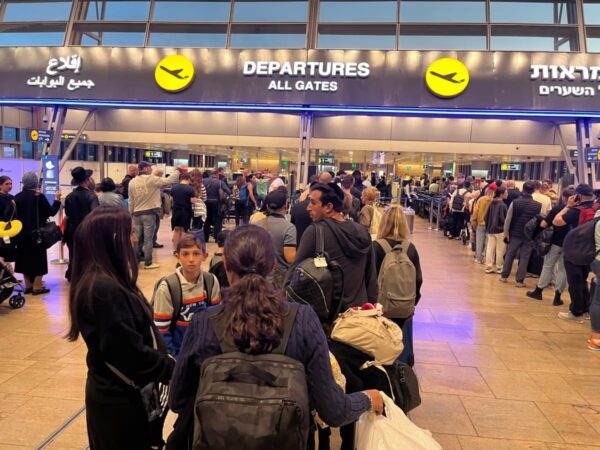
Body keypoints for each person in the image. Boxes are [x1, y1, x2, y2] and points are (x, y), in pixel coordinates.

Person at [168, 225, 384, 444]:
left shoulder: (204, 322)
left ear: (225, 265)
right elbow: (334, 411)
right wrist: (368, 399)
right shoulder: (302, 320)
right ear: (272, 265)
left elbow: (177, 400)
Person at [66, 206, 175, 450]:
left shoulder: (106, 280)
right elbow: (131, 354)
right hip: (120, 400)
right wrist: (173, 368)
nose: (135, 239)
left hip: (123, 394)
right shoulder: (104, 290)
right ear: (114, 239)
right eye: (131, 233)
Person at [293, 183, 377, 309]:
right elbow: (370, 275)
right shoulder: (362, 232)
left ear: (328, 207)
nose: (308, 208)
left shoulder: (316, 232)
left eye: (313, 203)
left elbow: (294, 273)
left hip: (327, 315)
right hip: (357, 313)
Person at [152, 233, 221, 357]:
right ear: (177, 256)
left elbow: (217, 321)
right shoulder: (168, 287)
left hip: (205, 353)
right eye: (185, 254)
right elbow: (161, 330)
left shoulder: (211, 281)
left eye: (196, 253)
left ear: (205, 256)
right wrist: (175, 360)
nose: (191, 259)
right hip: (179, 354)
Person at [372, 205, 422, 364]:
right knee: (401, 341)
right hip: (404, 306)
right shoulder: (410, 249)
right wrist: (412, 303)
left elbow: (370, 278)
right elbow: (418, 279)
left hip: (382, 308)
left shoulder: (376, 247)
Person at [13, 172, 61, 295]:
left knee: (24, 259)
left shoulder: (17, 197)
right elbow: (51, 212)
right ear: (35, 183)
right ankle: (37, 286)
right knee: (38, 259)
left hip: (21, 234)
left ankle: (28, 286)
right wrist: (57, 200)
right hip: (37, 234)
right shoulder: (38, 196)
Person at [556, 184, 596, 323]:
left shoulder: (575, 211)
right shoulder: (595, 209)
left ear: (577, 196)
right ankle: (585, 310)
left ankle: (575, 312)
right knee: (583, 280)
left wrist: (568, 206)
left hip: (574, 250)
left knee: (574, 282)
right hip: (590, 250)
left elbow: (557, 221)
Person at [129, 162, 181, 269]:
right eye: (150, 168)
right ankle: (148, 262)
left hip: (136, 214)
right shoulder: (152, 179)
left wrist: (130, 215)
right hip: (149, 212)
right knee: (148, 239)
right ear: (147, 169)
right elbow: (169, 180)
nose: (152, 170)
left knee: (137, 239)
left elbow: (130, 201)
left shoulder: (132, 182)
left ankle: (135, 261)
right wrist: (178, 170)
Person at [526, 188, 573, 305]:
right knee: (563, 269)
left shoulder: (558, 209)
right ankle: (558, 296)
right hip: (570, 244)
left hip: (555, 241)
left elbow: (543, 224)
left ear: (563, 197)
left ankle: (538, 291)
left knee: (548, 266)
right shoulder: (577, 211)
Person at [500, 181, 541, 287]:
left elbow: (508, 219)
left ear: (523, 189)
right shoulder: (538, 205)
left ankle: (504, 276)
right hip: (529, 235)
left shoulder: (515, 202)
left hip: (515, 233)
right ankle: (520, 281)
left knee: (510, 254)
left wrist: (506, 232)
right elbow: (537, 222)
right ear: (533, 191)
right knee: (525, 257)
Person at [64, 167, 99, 282]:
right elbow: (95, 214)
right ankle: (86, 275)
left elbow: (67, 214)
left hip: (72, 230)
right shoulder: (91, 196)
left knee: (73, 254)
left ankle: (73, 274)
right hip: (87, 230)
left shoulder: (69, 197)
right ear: (88, 180)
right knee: (88, 254)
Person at [257, 190, 297, 288]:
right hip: (280, 280)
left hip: (258, 276)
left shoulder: (255, 225)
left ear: (267, 206)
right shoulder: (289, 227)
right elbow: (290, 258)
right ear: (285, 205)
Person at [170, 173, 197, 253]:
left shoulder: (174, 188)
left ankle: (175, 250)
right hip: (185, 211)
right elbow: (193, 201)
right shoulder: (190, 189)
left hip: (176, 211)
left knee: (177, 230)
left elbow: (171, 199)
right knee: (184, 231)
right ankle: (183, 249)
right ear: (188, 179)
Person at [202, 170, 231, 244]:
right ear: (217, 174)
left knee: (207, 220)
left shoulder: (203, 181)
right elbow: (228, 191)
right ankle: (217, 238)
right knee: (218, 221)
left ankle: (205, 238)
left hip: (205, 202)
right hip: (217, 203)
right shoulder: (220, 182)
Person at [484, 187, 508, 274]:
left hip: (490, 229)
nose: (507, 194)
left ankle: (489, 267)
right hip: (500, 230)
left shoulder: (491, 203)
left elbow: (485, 216)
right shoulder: (503, 205)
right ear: (501, 194)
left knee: (490, 249)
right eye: (506, 193)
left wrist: (488, 226)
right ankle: (499, 267)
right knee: (500, 250)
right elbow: (504, 219)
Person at [472, 182, 496, 264]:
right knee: (488, 243)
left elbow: (475, 212)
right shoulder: (495, 201)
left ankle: (478, 258)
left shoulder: (481, 199)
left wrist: (474, 222)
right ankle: (485, 259)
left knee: (479, 242)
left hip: (480, 223)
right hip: (491, 225)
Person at [0, 176, 17, 262]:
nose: (10, 186)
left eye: (11, 184)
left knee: (9, 257)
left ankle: (7, 274)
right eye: (7, 184)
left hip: (11, 230)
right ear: (0, 185)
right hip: (1, 230)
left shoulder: (12, 198)